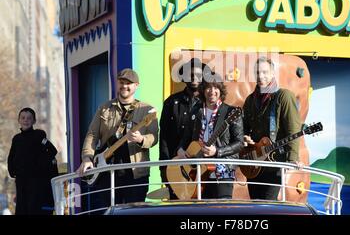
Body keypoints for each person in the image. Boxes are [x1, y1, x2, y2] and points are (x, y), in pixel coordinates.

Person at [76, 68, 158, 208]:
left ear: (136, 85)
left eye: (128, 83)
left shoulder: (147, 110)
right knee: (109, 211)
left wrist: (141, 139)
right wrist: (86, 158)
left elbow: (154, 137)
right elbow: (92, 134)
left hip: (136, 174)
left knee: (135, 212)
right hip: (107, 173)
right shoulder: (104, 108)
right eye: (121, 82)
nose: (124, 86)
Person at [243, 57, 302, 200]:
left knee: (268, 204)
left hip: (274, 162)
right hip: (254, 163)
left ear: (272, 74)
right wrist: (244, 138)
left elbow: (293, 130)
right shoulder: (250, 100)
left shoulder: (284, 96)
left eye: (264, 72)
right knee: (255, 205)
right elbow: (244, 128)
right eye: (257, 72)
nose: (261, 76)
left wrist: (292, 158)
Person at [181, 72, 244, 199]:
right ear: (203, 90)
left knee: (222, 210)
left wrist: (217, 151)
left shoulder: (230, 112)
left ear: (220, 90)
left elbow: (239, 143)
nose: (212, 91)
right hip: (198, 172)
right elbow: (186, 136)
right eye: (208, 87)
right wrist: (180, 149)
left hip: (223, 171)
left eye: (215, 87)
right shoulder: (196, 111)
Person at [159, 58, 210, 199]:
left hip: (203, 167)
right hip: (176, 168)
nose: (194, 78)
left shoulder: (209, 102)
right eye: (190, 74)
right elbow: (164, 136)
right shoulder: (171, 102)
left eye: (198, 75)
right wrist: (164, 167)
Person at [7, 107, 59, 215]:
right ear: (19, 120)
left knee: (34, 208)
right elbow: (11, 157)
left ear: (34, 121)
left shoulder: (39, 135)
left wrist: (41, 166)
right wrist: (12, 171)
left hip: (37, 182)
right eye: (23, 118)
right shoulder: (16, 139)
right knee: (22, 209)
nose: (26, 120)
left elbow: (52, 150)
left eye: (29, 118)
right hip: (21, 181)